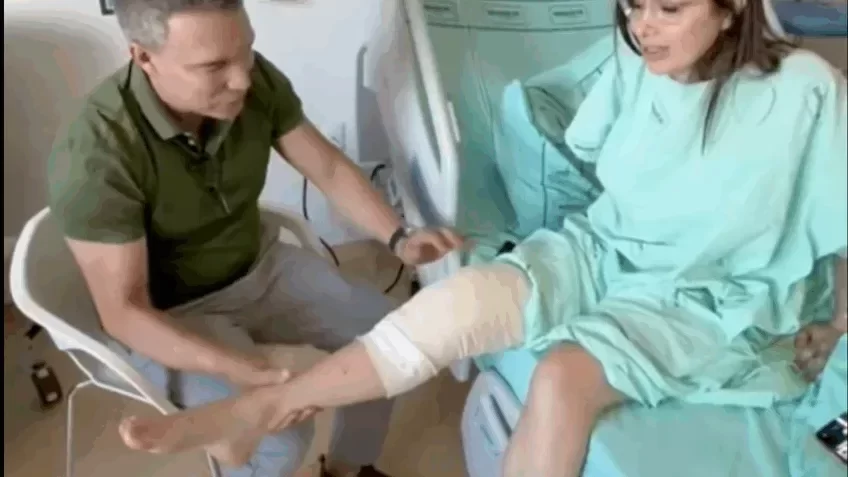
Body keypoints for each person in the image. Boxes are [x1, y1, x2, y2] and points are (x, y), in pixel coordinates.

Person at [114, 0, 847, 475]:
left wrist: (839, 321)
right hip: (605, 248)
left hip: (714, 296)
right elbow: (591, 145)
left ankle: (264, 409)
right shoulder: (638, 63)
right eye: (633, 6)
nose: (643, 26)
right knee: (463, 301)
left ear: (733, 7)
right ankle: (264, 409)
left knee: (562, 375)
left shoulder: (805, 91)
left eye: (670, 8)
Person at [46, 1, 464, 476]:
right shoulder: (96, 153)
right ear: (144, 57)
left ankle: (346, 470)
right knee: (277, 441)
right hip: (171, 314)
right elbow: (125, 312)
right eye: (214, 67)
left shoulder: (252, 80)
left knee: (392, 346)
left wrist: (399, 237)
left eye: (246, 50)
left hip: (256, 268)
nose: (242, 79)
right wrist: (244, 369)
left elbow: (326, 166)